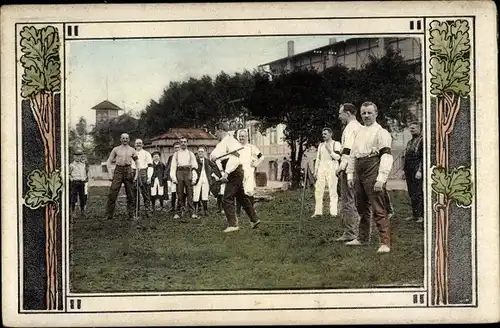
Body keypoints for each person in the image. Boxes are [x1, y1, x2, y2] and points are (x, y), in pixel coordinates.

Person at [346, 102, 394, 253]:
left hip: (373, 168)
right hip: (359, 169)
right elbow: (352, 155)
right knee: (361, 205)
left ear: (376, 114)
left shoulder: (381, 132)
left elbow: (386, 155)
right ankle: (362, 237)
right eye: (364, 113)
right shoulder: (359, 132)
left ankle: (385, 242)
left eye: (369, 113)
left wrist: (381, 178)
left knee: (378, 206)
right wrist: (350, 174)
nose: (366, 116)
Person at [210, 122, 260, 233]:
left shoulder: (230, 141)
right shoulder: (223, 142)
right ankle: (254, 219)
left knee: (227, 198)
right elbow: (216, 155)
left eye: (215, 131)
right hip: (233, 172)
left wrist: (226, 173)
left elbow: (235, 159)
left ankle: (233, 224)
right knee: (242, 197)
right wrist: (213, 158)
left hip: (235, 172)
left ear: (220, 130)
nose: (215, 134)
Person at [335, 103, 362, 242]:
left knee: (347, 200)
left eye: (341, 113)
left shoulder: (351, 128)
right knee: (353, 199)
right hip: (357, 165)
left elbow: (348, 150)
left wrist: (341, 167)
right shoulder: (358, 126)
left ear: (348, 113)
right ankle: (355, 231)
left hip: (349, 167)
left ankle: (351, 232)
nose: (339, 116)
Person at [105, 133, 139, 220]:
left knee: (130, 194)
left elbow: (137, 163)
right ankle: (109, 215)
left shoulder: (132, 150)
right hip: (118, 170)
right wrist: (110, 173)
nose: (125, 140)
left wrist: (136, 175)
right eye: (123, 138)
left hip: (128, 170)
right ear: (120, 139)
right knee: (113, 192)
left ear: (128, 139)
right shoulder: (116, 149)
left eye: (126, 138)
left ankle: (131, 215)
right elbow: (108, 161)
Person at [312, 127, 342, 218]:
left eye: (325, 134)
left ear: (330, 134)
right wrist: (316, 170)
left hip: (332, 166)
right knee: (318, 189)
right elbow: (318, 159)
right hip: (322, 166)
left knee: (332, 190)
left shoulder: (336, 144)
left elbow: (338, 157)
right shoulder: (321, 145)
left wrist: (330, 151)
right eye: (323, 134)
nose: (323, 135)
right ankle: (318, 212)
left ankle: (333, 212)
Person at [236, 129, 264, 217]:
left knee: (249, 191)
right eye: (240, 136)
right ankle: (238, 212)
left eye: (243, 136)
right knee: (238, 191)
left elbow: (261, 157)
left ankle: (251, 212)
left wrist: (255, 163)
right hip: (239, 172)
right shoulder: (236, 147)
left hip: (248, 172)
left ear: (247, 137)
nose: (241, 138)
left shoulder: (251, 147)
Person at [169, 137, 198, 220]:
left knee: (190, 193)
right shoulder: (176, 154)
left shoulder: (190, 154)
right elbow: (173, 167)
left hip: (188, 172)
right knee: (180, 193)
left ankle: (192, 212)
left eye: (185, 142)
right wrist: (173, 178)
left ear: (187, 143)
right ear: (179, 143)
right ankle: (179, 212)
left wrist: (194, 178)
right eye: (181, 142)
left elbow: (194, 167)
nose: (183, 143)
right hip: (179, 173)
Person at [403, 121, 424, 223]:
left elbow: (423, 158)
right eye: (410, 128)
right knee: (412, 193)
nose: (412, 130)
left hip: (417, 170)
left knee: (418, 193)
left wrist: (420, 170)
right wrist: (404, 170)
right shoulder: (410, 142)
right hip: (409, 170)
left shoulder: (422, 141)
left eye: (414, 128)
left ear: (420, 129)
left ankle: (421, 216)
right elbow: (406, 157)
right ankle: (414, 215)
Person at [131, 139, 153, 218]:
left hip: (143, 173)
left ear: (143, 145)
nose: (138, 145)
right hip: (134, 172)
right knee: (134, 193)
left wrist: (149, 177)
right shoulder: (132, 153)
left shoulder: (147, 153)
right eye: (137, 143)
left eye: (140, 143)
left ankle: (148, 210)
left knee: (145, 193)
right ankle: (136, 211)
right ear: (134, 144)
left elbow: (150, 166)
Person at [193, 146, 215, 217]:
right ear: (197, 152)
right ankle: (194, 211)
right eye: (199, 152)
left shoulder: (207, 160)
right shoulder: (195, 160)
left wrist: (210, 173)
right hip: (197, 179)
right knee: (196, 193)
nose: (200, 153)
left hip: (205, 179)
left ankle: (205, 210)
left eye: (202, 152)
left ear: (204, 152)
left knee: (205, 194)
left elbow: (214, 166)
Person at [69, 148, 89, 218]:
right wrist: (71, 179)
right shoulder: (71, 165)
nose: (78, 157)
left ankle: (82, 211)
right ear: (74, 156)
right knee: (74, 197)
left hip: (81, 182)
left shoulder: (82, 165)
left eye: (79, 156)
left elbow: (84, 173)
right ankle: (73, 212)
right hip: (75, 182)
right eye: (76, 156)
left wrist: (84, 178)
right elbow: (69, 174)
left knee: (82, 197)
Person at [166, 142, 181, 213]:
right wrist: (168, 177)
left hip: (181, 177)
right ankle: (172, 207)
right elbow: (168, 168)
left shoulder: (183, 156)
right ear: (173, 149)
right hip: (173, 177)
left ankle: (180, 207)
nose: (177, 149)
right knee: (173, 192)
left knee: (181, 193)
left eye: (178, 147)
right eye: (175, 148)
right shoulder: (171, 157)